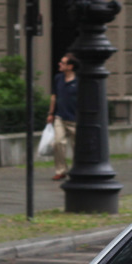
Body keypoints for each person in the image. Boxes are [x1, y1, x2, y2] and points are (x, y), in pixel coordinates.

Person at [46, 53, 79, 181]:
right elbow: (54, 96)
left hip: (75, 119)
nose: (59, 64)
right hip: (60, 117)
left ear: (70, 66)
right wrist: (51, 113)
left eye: (63, 63)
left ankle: (77, 170)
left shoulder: (79, 81)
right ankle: (61, 170)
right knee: (58, 142)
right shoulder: (58, 78)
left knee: (77, 147)